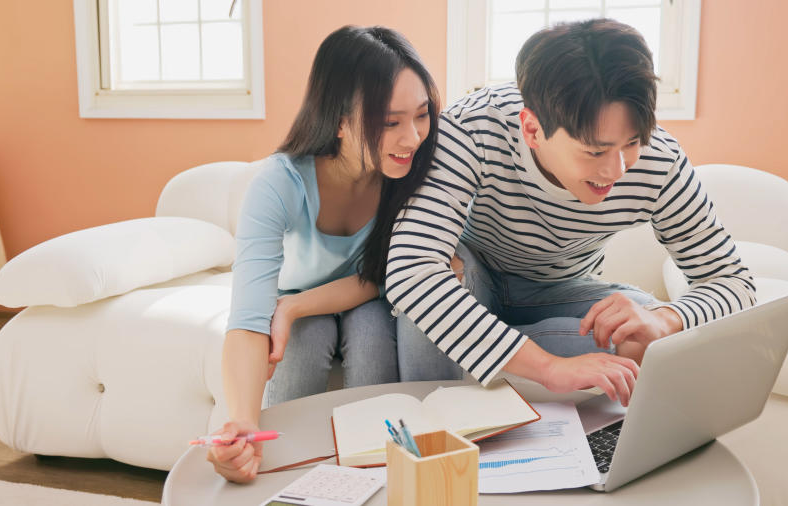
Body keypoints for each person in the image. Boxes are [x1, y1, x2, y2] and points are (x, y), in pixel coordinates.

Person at [387, 19, 756, 407]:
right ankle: (440, 427)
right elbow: (412, 272)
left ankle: (501, 359)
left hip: (561, 288)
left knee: (646, 332)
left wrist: (665, 319)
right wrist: (548, 368)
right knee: (438, 282)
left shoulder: (659, 162)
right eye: (595, 151)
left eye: (631, 143)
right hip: (474, 278)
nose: (617, 170)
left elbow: (734, 282)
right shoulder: (473, 128)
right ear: (532, 129)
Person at [207, 25, 440, 483]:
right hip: (295, 310)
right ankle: (280, 473)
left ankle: (382, 477)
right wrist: (242, 421)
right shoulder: (278, 185)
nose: (413, 138)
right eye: (389, 122)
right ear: (337, 119)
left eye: (422, 115)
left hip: (366, 299)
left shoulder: (420, 171)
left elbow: (390, 274)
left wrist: (297, 305)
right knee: (298, 339)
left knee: (373, 332)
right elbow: (250, 318)